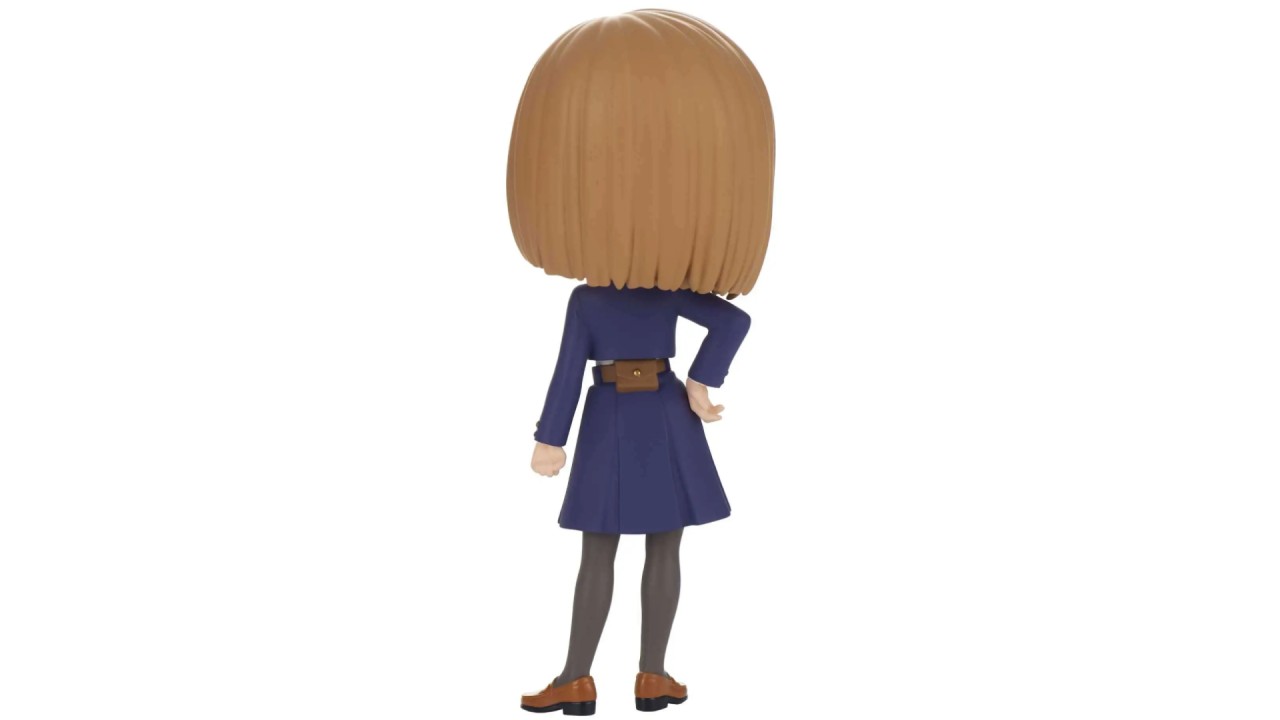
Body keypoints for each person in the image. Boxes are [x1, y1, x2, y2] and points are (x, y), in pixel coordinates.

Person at [506, 9, 775, 715]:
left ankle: (641, 674)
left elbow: (730, 320)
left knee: (645, 548)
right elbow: (569, 370)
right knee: (618, 549)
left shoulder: (635, 294)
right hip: (640, 414)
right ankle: (589, 675)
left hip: (637, 413)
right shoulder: (602, 298)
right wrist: (551, 437)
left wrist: (702, 380)